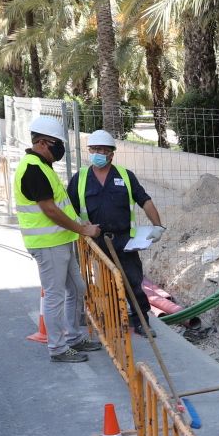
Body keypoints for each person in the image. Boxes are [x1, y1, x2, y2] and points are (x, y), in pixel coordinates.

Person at [13, 113, 102, 363]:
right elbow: (50, 210)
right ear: (41, 142)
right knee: (55, 296)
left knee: (77, 288)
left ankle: (74, 337)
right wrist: (82, 230)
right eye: (56, 144)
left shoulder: (43, 167)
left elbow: (60, 205)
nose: (60, 149)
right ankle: (58, 348)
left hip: (60, 240)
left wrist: (78, 224)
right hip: (47, 244)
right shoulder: (33, 170)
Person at [75, 128, 164, 334]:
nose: (98, 153)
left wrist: (157, 225)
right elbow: (68, 208)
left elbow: (145, 201)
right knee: (103, 283)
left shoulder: (125, 176)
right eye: (94, 149)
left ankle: (141, 321)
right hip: (95, 242)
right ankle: (112, 321)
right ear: (89, 150)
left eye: (103, 150)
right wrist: (82, 228)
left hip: (124, 241)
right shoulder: (80, 178)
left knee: (132, 281)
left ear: (111, 154)